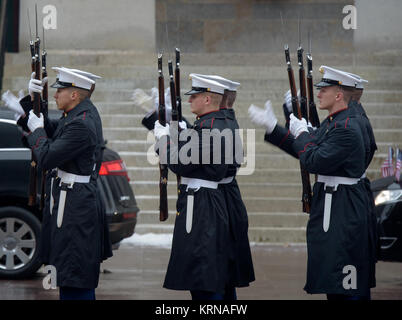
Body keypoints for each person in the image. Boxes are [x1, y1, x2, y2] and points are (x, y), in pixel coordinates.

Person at [249, 66, 376, 300]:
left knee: (344, 282)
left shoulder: (345, 128)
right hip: (337, 203)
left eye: (323, 90)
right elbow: (307, 148)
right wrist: (274, 128)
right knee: (336, 279)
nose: (318, 94)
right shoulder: (337, 121)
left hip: (342, 208)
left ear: (338, 95)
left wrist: (301, 133)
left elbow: (313, 160)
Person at [3, 67, 110, 300]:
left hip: (75, 206)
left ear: (74, 94)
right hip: (71, 201)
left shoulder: (81, 123)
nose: (54, 95)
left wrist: (36, 129)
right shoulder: (76, 115)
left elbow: (47, 157)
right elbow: (55, 131)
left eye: (59, 91)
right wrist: (29, 107)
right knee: (68, 271)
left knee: (74, 272)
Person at [153, 75, 238, 300]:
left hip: (202, 205)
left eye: (195, 96)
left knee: (203, 278)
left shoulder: (210, 128)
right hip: (205, 201)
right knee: (209, 276)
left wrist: (163, 140)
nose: (189, 100)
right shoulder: (212, 123)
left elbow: (179, 162)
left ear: (208, 99)